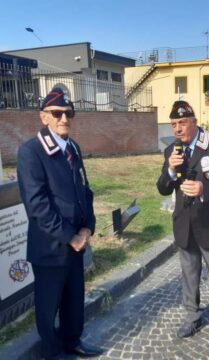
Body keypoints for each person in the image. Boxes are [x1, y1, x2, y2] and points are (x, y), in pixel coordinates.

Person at [17, 88, 102, 360]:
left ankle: (72, 341)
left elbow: (84, 191)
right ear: (44, 117)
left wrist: (88, 226)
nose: (64, 118)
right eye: (57, 113)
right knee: (48, 303)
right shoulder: (31, 152)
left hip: (77, 240)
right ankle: (52, 353)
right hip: (51, 245)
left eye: (68, 113)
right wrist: (70, 236)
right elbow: (37, 205)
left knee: (73, 300)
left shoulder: (72, 147)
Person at [157, 100, 209, 343]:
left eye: (182, 123)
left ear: (194, 122)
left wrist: (204, 187)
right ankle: (192, 316)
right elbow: (163, 188)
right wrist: (170, 172)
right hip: (185, 224)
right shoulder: (171, 150)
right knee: (189, 275)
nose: (178, 129)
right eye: (173, 124)